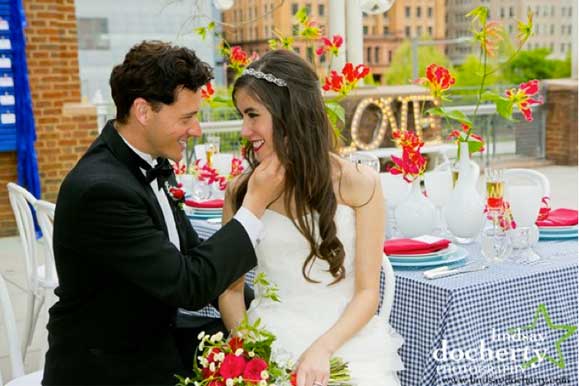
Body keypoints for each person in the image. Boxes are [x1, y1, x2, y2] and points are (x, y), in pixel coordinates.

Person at [42, 41, 284, 386]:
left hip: (151, 341)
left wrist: (271, 315)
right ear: (143, 111)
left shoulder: (145, 162)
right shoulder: (102, 191)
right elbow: (188, 284)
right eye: (187, 117)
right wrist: (253, 206)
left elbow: (192, 255)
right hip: (106, 368)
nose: (197, 129)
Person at [217, 49, 404, 386]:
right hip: (267, 342)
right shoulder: (240, 191)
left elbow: (367, 294)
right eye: (241, 116)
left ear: (289, 115)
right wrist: (250, 355)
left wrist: (321, 350)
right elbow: (230, 293)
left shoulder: (359, 184)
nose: (244, 130)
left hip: (344, 343)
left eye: (252, 115)